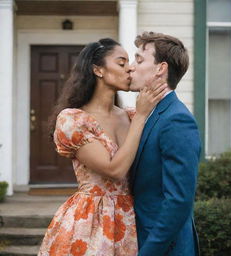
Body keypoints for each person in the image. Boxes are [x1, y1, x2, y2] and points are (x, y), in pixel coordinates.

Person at [38, 38, 167, 256]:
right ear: (98, 70)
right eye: (121, 63)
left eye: (131, 63)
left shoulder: (131, 115)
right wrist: (142, 116)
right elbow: (114, 170)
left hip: (131, 217)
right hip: (90, 221)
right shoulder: (73, 119)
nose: (130, 68)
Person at [129, 32, 201, 256]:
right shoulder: (147, 114)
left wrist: (148, 252)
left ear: (160, 68)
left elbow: (179, 200)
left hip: (164, 248)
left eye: (139, 60)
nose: (131, 67)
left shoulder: (177, 119)